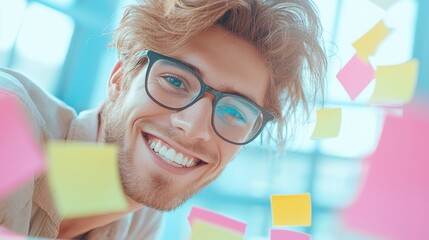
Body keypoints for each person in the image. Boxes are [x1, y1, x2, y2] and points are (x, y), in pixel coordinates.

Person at [0, 0, 326, 239]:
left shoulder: (139, 222)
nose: (194, 128)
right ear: (119, 78)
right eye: (175, 81)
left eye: (234, 112)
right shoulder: (10, 123)